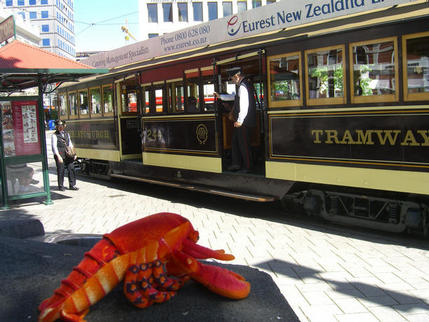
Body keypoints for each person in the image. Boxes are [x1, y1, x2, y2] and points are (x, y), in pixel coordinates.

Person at [214, 67, 256, 173]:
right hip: (243, 121)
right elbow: (235, 97)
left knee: (243, 144)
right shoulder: (243, 85)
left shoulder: (243, 86)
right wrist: (221, 97)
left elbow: (244, 104)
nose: (232, 81)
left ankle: (248, 167)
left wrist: (240, 120)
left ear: (237, 76)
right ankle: (236, 164)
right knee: (235, 141)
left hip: (244, 122)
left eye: (232, 79)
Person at [51, 120, 78, 191]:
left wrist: (74, 153)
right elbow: (54, 147)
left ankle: (72, 185)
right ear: (56, 127)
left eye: (61, 126)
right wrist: (58, 156)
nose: (60, 127)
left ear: (64, 126)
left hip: (68, 155)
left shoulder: (67, 134)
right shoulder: (54, 135)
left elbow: (70, 144)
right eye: (59, 126)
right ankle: (61, 186)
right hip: (60, 154)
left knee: (71, 168)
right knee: (61, 170)